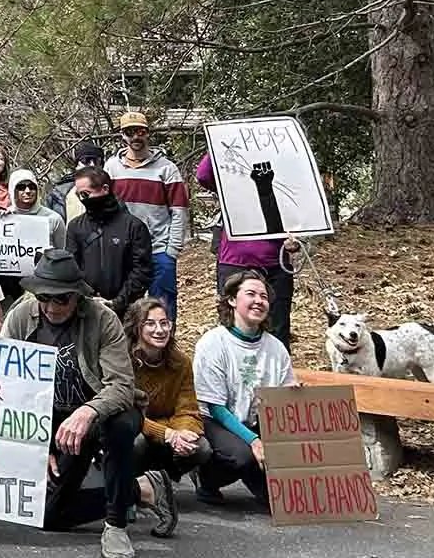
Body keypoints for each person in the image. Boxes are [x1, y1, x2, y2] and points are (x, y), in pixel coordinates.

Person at [0, 250, 165, 558]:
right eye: (44, 298)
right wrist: (36, 442)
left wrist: (88, 411)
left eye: (62, 299)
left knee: (119, 425)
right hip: (51, 421)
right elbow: (7, 384)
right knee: (46, 516)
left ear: (78, 296)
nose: (51, 307)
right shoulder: (21, 316)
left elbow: (121, 386)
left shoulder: (103, 319)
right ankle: (140, 490)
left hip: (101, 412)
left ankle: (116, 524)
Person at [193, 269, 296, 510]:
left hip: (257, 421)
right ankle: (206, 477)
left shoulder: (276, 348)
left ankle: (261, 481)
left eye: (264, 296)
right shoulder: (213, 342)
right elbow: (215, 407)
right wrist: (254, 441)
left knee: (280, 501)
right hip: (216, 421)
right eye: (251, 294)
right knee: (244, 457)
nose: (259, 301)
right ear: (232, 300)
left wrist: (294, 394)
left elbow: (282, 396)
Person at [124, 296, 209, 534]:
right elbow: (129, 413)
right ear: (137, 328)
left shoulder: (180, 362)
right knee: (136, 441)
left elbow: (188, 408)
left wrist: (184, 433)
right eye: (150, 324)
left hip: (167, 432)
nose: (159, 330)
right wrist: (167, 433)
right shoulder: (124, 360)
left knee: (202, 447)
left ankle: (162, 482)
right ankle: (134, 489)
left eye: (164, 323)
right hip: (136, 430)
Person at [198, 153, 297, 346]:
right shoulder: (229, 182)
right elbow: (203, 176)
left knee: (277, 327)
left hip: (275, 263)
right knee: (232, 324)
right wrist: (220, 142)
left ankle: (274, 374)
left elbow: (298, 210)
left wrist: (297, 240)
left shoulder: (281, 177)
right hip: (235, 261)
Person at [104, 111, 190, 314]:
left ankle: (164, 345)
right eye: (129, 132)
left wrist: (172, 250)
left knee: (162, 307)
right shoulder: (111, 168)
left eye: (140, 131)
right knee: (125, 306)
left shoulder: (167, 169)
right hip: (124, 250)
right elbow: (106, 208)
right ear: (122, 136)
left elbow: (179, 211)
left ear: (148, 133)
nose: (135, 137)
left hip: (159, 249)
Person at [66, 167, 154, 315]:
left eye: (85, 194)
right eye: (79, 195)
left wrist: (118, 302)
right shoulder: (76, 227)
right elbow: (72, 268)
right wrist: (88, 299)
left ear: (105, 189)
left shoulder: (133, 226)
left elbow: (141, 271)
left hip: (127, 311)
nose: (83, 200)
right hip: (85, 310)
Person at [7, 169, 67, 251]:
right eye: (21, 187)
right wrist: (1, 219)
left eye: (32, 187)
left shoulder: (54, 219)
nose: (27, 191)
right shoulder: (5, 217)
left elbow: (62, 251)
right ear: (12, 190)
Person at [52, 140, 107, 221]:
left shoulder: (111, 190)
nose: (92, 165)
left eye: (96, 161)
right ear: (77, 166)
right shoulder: (61, 193)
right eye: (86, 160)